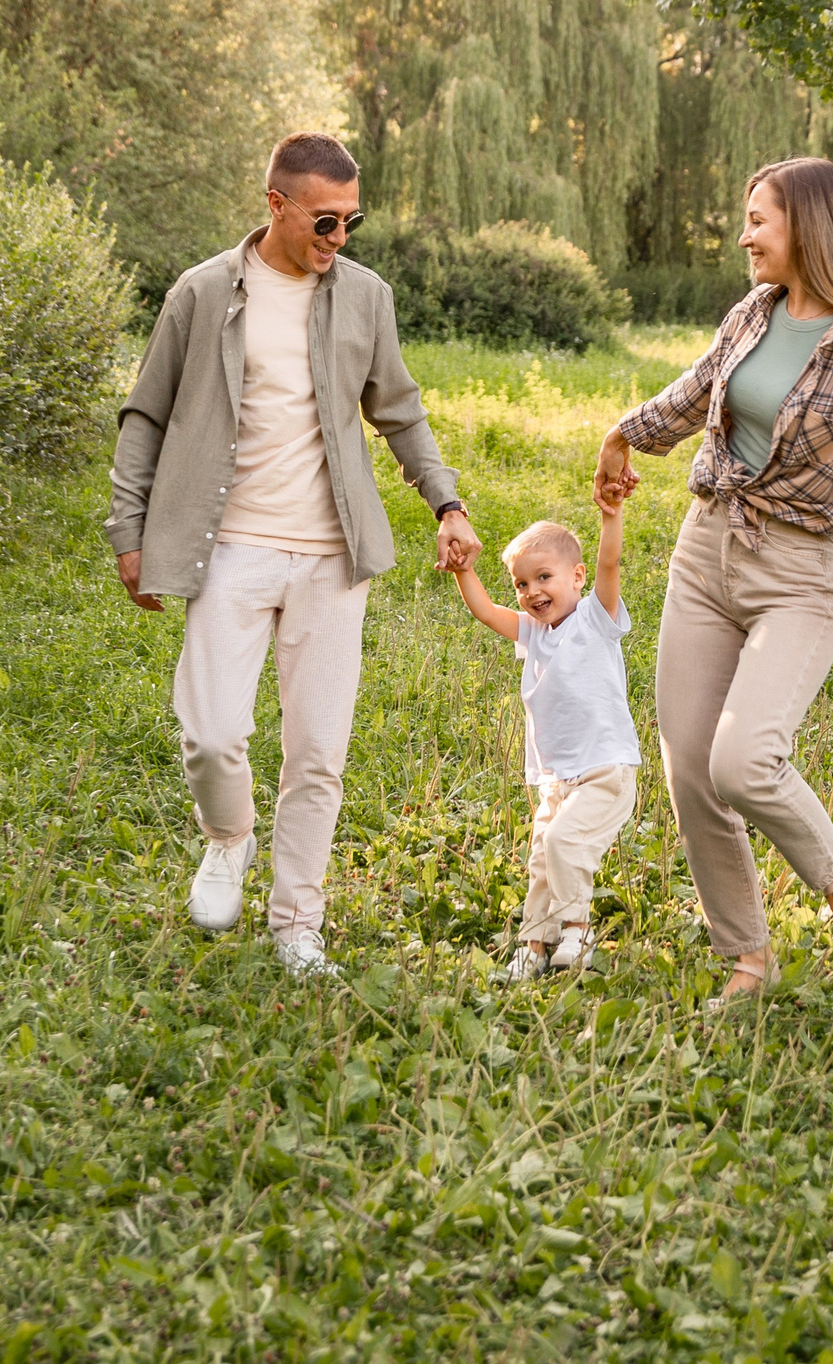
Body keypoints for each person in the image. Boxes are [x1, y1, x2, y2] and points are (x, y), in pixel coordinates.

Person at [108, 132, 480, 977]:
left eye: (352, 222)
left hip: (329, 556)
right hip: (229, 544)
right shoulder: (201, 293)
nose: (338, 239)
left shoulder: (365, 298)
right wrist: (128, 530)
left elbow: (400, 410)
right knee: (210, 734)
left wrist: (446, 501)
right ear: (275, 206)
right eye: (324, 222)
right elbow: (145, 419)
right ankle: (227, 838)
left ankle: (296, 923)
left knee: (318, 751)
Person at [594, 157, 833, 1004]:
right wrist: (624, 434)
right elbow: (698, 391)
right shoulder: (754, 313)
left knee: (745, 759)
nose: (744, 236)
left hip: (798, 575)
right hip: (706, 554)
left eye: (758, 221)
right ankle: (747, 957)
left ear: (807, 227)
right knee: (691, 772)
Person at [449, 503, 639, 983]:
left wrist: (611, 516)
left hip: (605, 772)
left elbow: (609, 564)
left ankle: (577, 929)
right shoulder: (534, 633)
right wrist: (463, 570)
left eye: (544, 577)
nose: (532, 592)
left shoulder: (597, 618)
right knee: (541, 858)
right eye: (522, 583)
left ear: (576, 577)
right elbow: (486, 612)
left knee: (563, 842)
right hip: (558, 779)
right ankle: (533, 945)